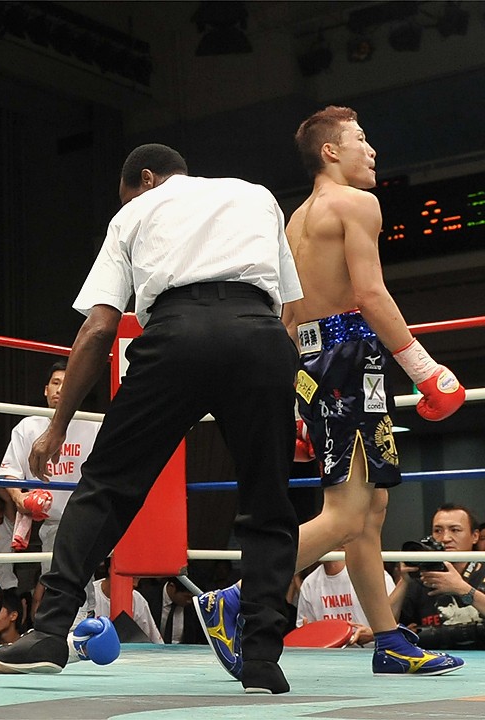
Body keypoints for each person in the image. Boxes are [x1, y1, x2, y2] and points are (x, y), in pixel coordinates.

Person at [0, 143, 302, 694]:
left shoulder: (136, 210)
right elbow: (289, 311)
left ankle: (51, 630)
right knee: (269, 501)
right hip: (259, 338)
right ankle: (261, 660)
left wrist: (57, 426)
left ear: (147, 179)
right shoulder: (257, 196)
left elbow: (99, 328)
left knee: (106, 486)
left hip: (176, 338)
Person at [196, 106, 464, 678]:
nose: (372, 150)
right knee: (347, 514)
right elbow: (371, 295)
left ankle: (389, 641)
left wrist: (296, 396)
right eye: (361, 139)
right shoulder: (356, 203)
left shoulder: (295, 221)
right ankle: (237, 595)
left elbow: (290, 317)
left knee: (369, 510)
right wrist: (425, 369)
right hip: (351, 358)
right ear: (331, 151)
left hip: (312, 363)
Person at [0, 360, 101, 618]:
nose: (60, 389)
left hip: (86, 518)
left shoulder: (94, 425)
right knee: (57, 582)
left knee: (76, 582)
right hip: (51, 522)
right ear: (46, 389)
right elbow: (10, 472)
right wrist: (20, 499)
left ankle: (79, 626)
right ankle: (74, 627)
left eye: (68, 383)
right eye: (56, 383)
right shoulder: (28, 426)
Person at [391, 503, 485, 650]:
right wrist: (404, 581)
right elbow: (384, 626)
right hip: (434, 659)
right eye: (438, 531)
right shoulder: (422, 577)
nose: (445, 538)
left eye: (455, 530)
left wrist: (462, 589)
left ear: (475, 536)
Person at [296, 557, 395, 646]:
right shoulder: (309, 583)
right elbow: (303, 632)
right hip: (327, 656)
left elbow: (394, 626)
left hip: (370, 652)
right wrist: (307, 635)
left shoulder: (372, 574)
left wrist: (373, 633)